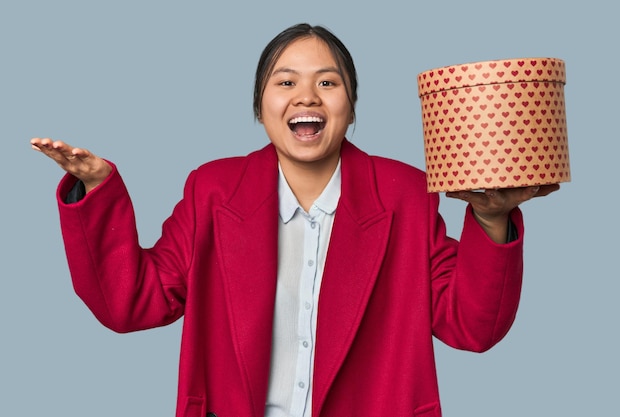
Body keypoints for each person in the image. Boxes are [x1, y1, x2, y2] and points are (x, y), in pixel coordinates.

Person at [31, 23, 558, 417]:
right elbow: (132, 301)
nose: (306, 96)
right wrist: (96, 192)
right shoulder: (212, 190)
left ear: (352, 107)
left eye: (328, 83)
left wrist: (492, 219)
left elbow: (469, 325)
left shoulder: (403, 194)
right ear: (260, 107)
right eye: (286, 82)